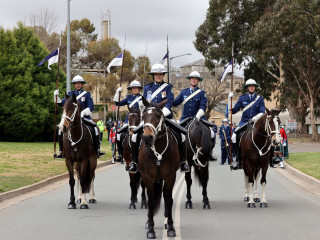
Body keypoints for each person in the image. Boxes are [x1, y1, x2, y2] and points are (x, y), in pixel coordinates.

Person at [127, 63, 190, 173]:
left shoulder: (168, 87)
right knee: (134, 137)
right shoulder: (147, 88)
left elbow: (170, 102)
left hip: (165, 116)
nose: (158, 76)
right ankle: (134, 162)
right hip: (150, 118)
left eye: (160, 74)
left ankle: (183, 162)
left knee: (182, 135)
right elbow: (145, 103)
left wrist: (162, 114)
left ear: (163, 75)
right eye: (156, 74)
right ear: (153, 75)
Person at [53, 75, 105, 158]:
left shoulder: (87, 94)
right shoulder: (70, 94)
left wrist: (84, 112)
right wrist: (56, 97)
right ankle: (62, 152)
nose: (77, 85)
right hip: (71, 119)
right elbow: (62, 104)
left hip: (84, 117)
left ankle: (97, 150)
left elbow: (91, 106)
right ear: (74, 85)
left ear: (82, 84)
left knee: (95, 129)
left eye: (79, 83)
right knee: (60, 130)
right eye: (76, 83)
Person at [228, 79, 266, 170]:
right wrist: (230, 100)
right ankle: (237, 159)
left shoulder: (260, 98)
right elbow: (234, 111)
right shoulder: (242, 98)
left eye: (253, 86)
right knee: (233, 137)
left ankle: (271, 158)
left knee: (268, 135)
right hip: (244, 122)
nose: (252, 87)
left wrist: (255, 118)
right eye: (250, 86)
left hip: (256, 122)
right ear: (247, 88)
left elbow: (262, 111)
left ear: (255, 87)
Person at [113, 79, 143, 162]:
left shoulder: (142, 98)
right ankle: (120, 154)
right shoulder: (128, 97)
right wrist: (117, 93)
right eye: (133, 88)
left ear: (139, 89)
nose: (134, 89)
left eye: (136, 88)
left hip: (139, 121)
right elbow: (117, 103)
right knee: (118, 135)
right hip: (128, 121)